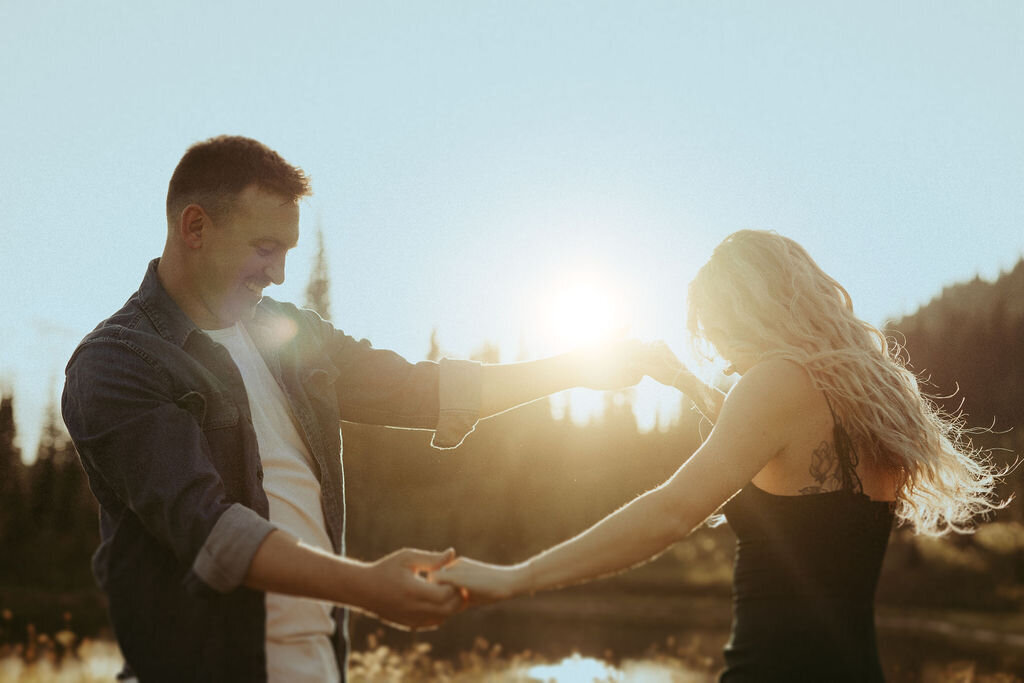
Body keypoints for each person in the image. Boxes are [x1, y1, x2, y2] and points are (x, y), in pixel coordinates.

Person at [61, 135, 643, 683]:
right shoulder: (116, 363)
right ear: (195, 227)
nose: (279, 273)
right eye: (264, 248)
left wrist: (580, 370)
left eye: (286, 251)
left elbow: (428, 390)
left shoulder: (294, 336)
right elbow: (211, 530)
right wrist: (368, 586)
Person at [438, 229, 1009, 682]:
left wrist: (515, 578)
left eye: (717, 332)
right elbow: (783, 460)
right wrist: (687, 385)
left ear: (748, 311)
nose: (723, 356)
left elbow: (671, 511)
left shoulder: (775, 384)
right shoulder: (867, 399)